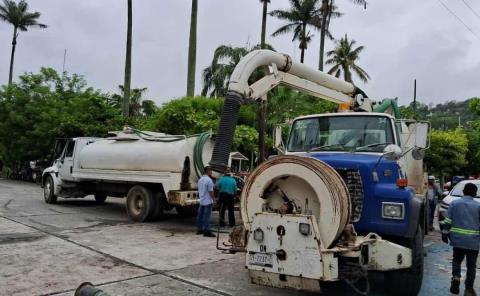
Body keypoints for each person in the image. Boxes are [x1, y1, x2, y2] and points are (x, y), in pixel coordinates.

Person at [442, 182, 480, 296]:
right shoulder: (478, 206)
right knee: (471, 265)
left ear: (463, 192)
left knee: (457, 260)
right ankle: (468, 289)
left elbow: (447, 221)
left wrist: (444, 233)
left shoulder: (454, 204)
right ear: (474, 193)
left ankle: (456, 277)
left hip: (457, 240)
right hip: (473, 241)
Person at [196, 166, 215, 237]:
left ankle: (199, 229)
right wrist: (214, 200)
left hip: (202, 200)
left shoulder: (200, 179)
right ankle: (206, 231)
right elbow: (211, 191)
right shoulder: (209, 180)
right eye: (211, 171)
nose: (212, 172)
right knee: (206, 216)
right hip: (207, 201)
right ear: (208, 171)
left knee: (200, 216)